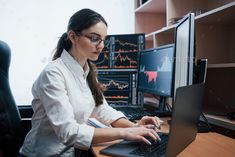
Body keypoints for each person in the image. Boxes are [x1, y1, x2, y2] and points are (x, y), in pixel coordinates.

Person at [20, 8, 161, 157]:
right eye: (94, 38)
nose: (101, 45)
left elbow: (101, 109)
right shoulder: (53, 74)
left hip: (73, 152)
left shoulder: (87, 69)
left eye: (103, 40)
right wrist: (125, 133)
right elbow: (68, 132)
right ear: (73, 37)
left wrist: (135, 127)